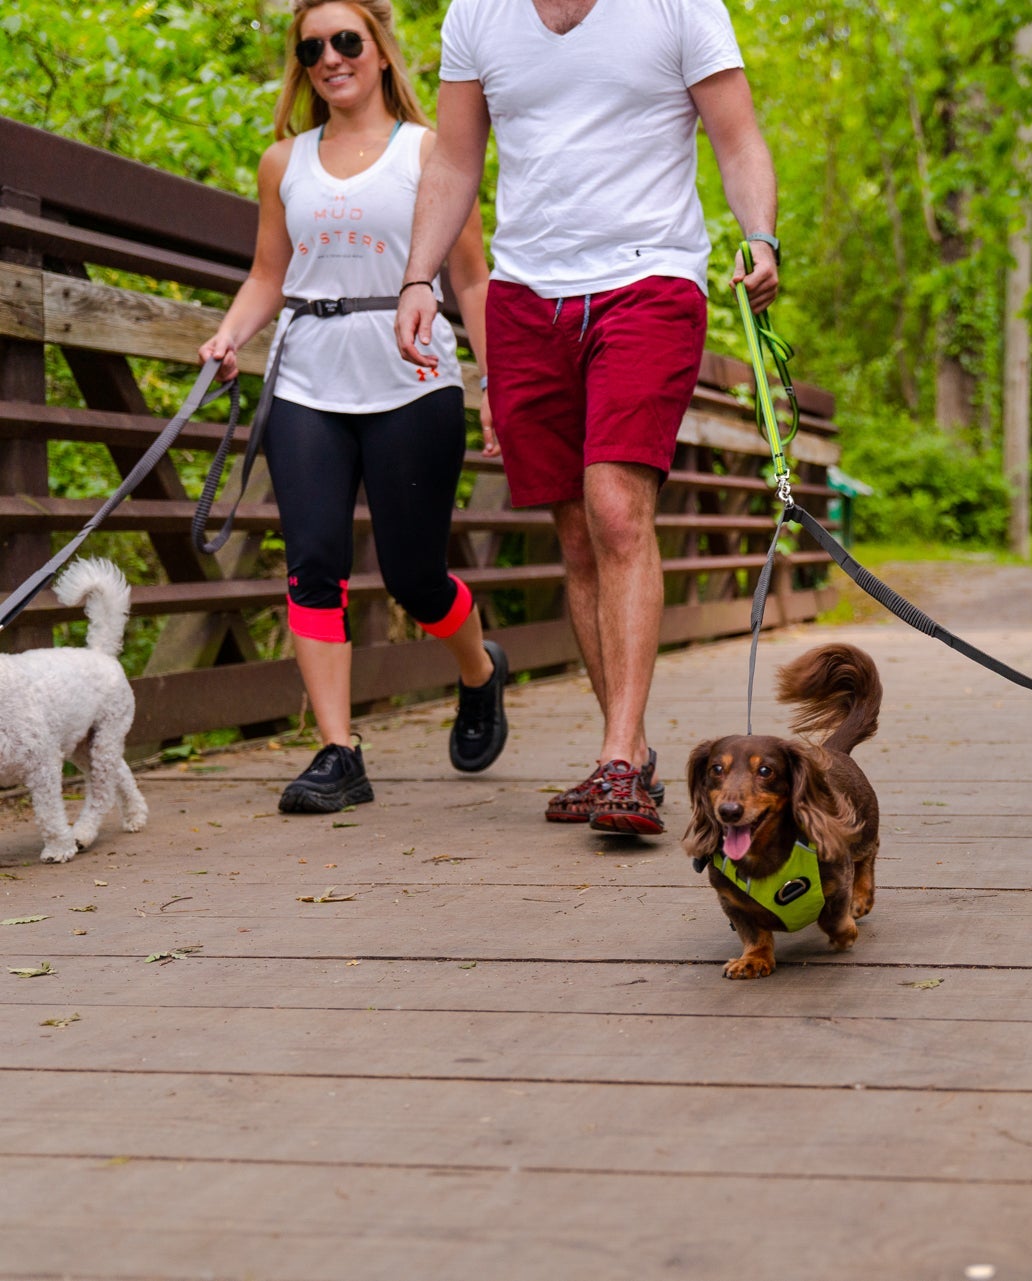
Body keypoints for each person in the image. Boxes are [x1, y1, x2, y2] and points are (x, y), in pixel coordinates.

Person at [396, 0, 780, 837]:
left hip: (651, 278)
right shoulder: (477, 15)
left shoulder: (680, 6)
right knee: (574, 531)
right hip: (525, 293)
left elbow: (738, 137)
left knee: (615, 508)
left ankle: (613, 755)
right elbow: (457, 161)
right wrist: (419, 276)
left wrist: (761, 236)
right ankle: (630, 760)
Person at [199, 0, 510, 814]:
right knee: (313, 561)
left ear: (378, 51)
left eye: (346, 40)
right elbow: (269, 273)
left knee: (413, 574)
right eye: (313, 48)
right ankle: (340, 750)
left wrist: (498, 387)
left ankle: (480, 671)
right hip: (307, 379)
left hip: (411, 376)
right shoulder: (283, 162)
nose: (331, 57)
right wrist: (229, 335)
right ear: (302, 65)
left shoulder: (432, 150)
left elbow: (470, 280)